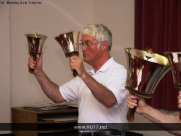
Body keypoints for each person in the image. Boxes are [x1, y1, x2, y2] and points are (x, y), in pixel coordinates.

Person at [28, 24, 128, 136]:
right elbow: (57, 95)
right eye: (82, 44)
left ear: (104, 45)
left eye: (88, 44)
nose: (83, 48)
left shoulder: (118, 71)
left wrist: (83, 74)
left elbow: (110, 101)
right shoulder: (86, 75)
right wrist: (38, 73)